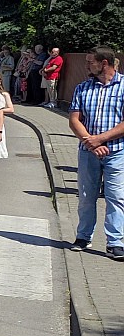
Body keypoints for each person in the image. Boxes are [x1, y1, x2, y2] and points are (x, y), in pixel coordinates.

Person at [68, 47, 124, 259]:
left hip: (117, 152)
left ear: (104, 64)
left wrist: (101, 138)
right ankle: (83, 236)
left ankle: (115, 242)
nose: (86, 65)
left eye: (90, 62)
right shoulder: (83, 88)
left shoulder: (123, 86)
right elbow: (74, 120)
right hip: (88, 152)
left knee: (116, 198)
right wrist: (91, 143)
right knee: (86, 197)